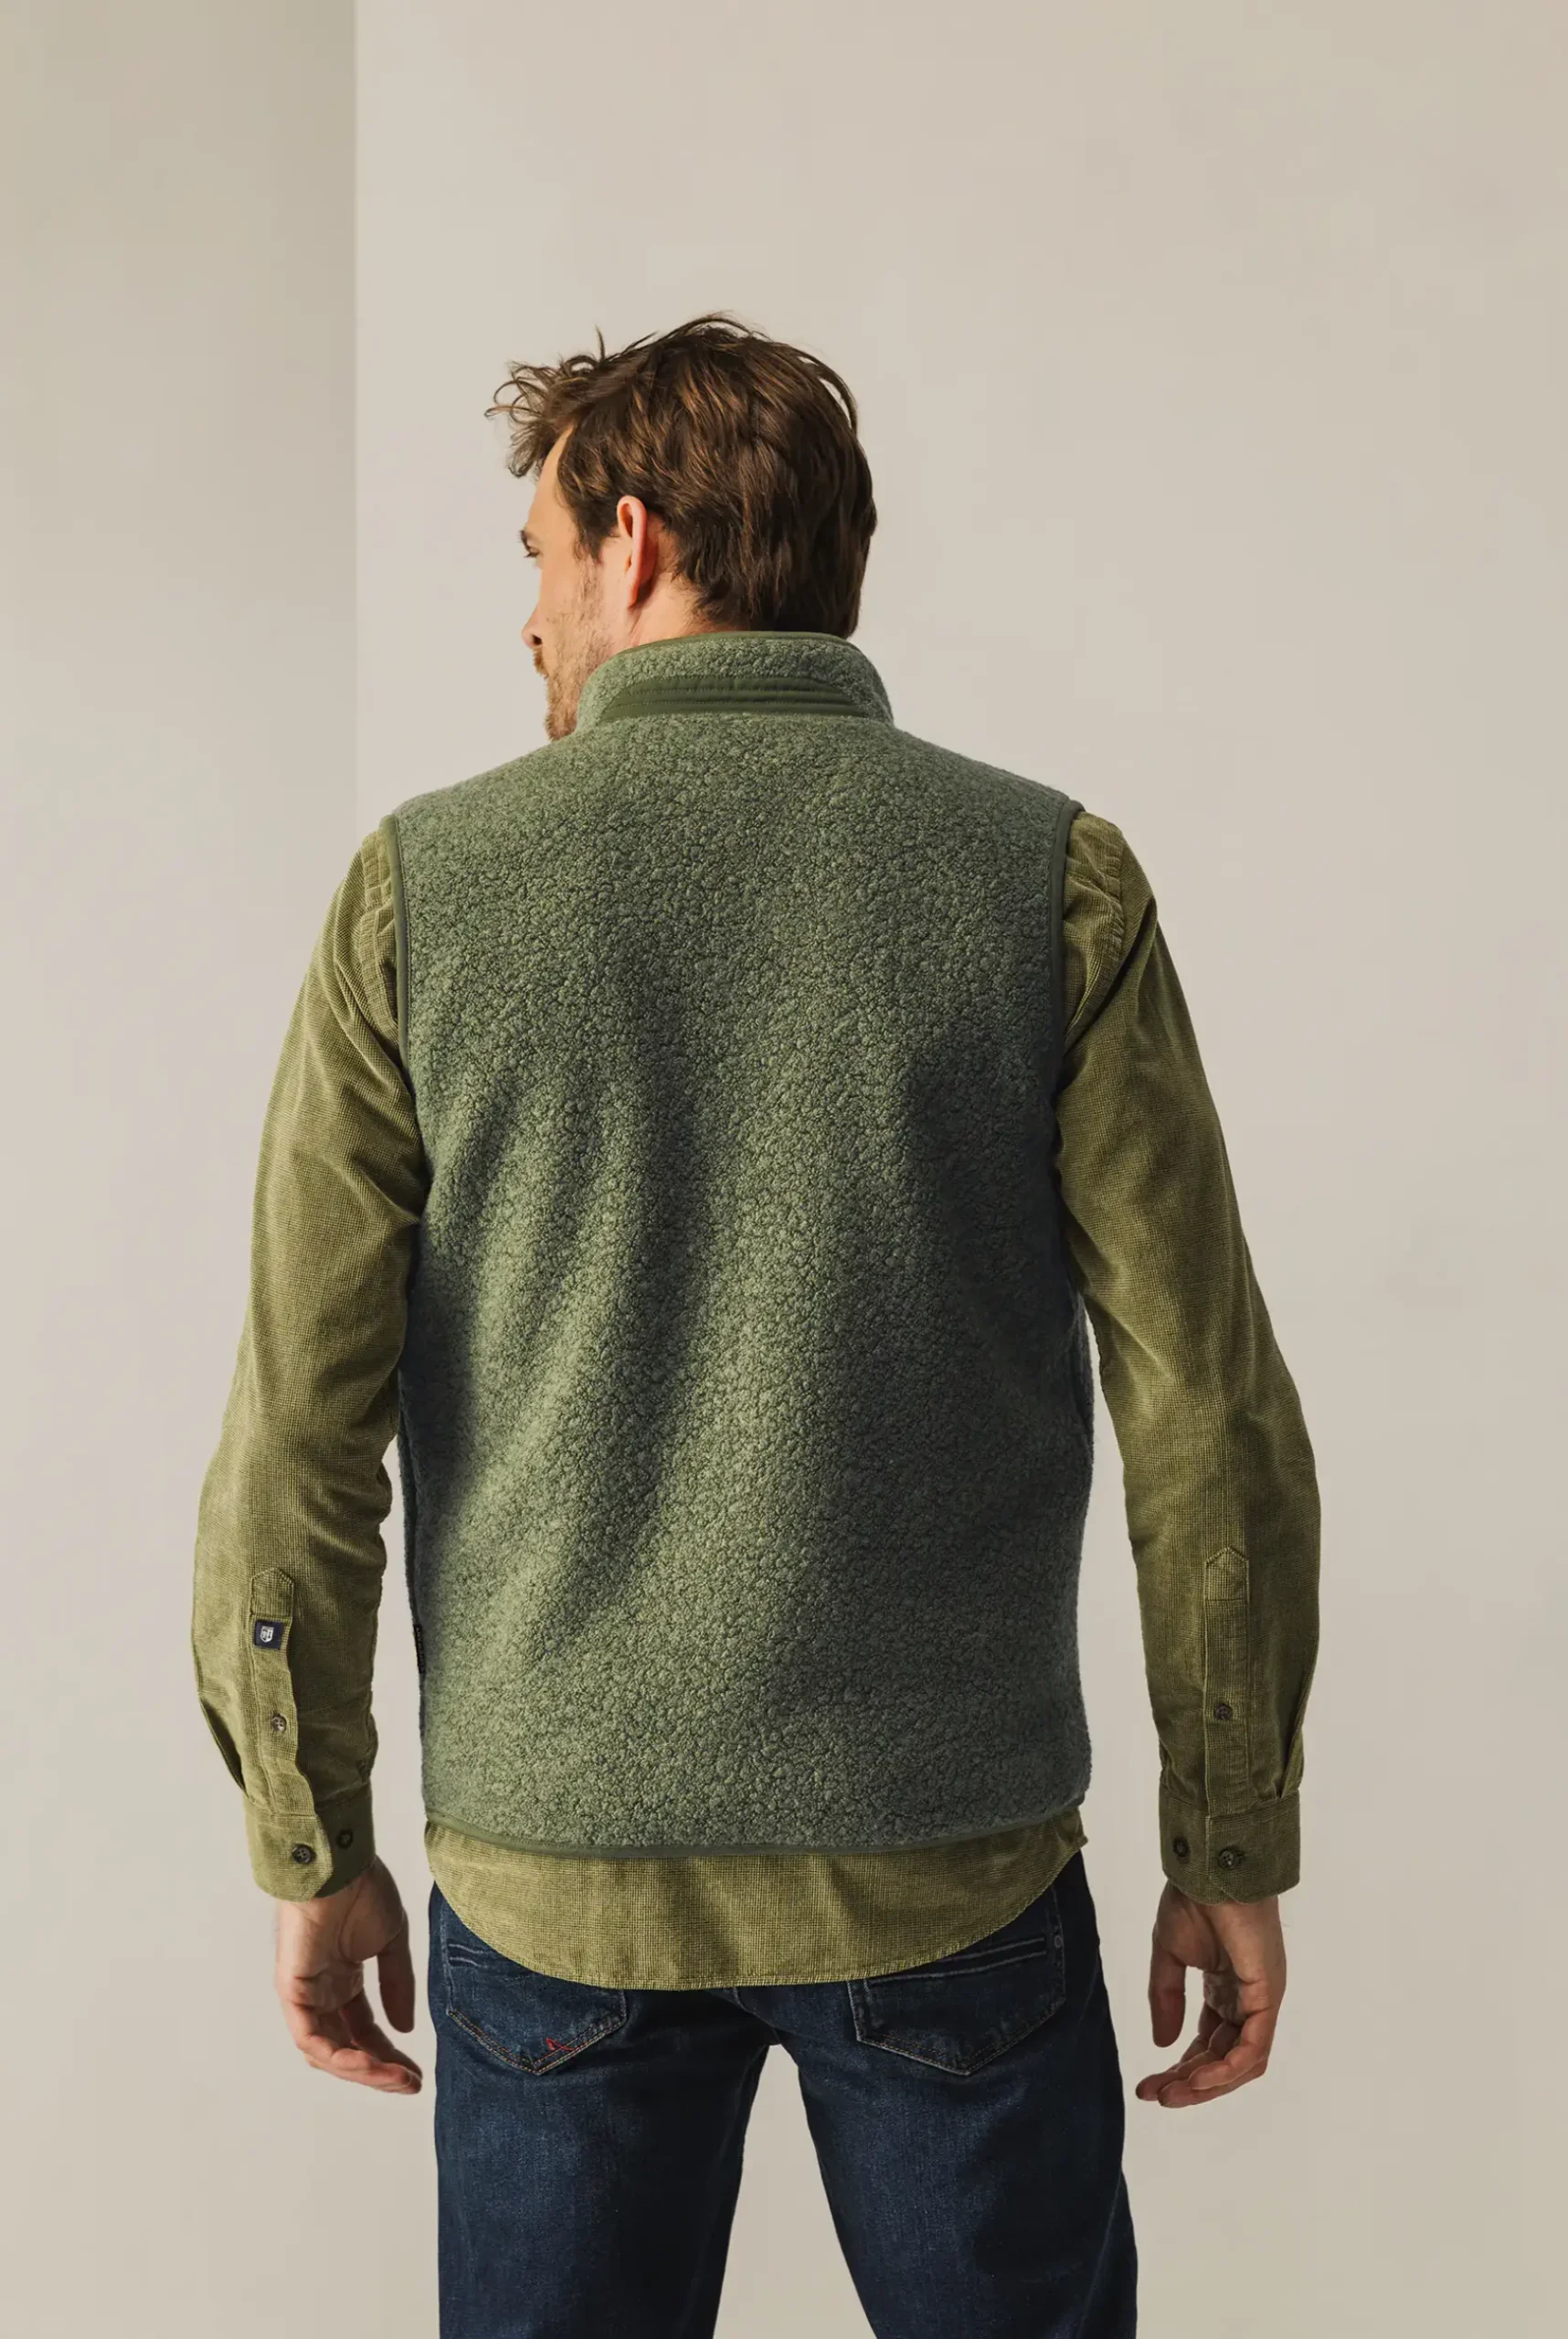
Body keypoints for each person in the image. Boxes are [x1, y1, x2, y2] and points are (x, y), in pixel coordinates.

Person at [192, 311, 1320, 2337]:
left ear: (631, 542)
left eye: (540, 557)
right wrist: (1231, 1833)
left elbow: (298, 1427)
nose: (528, 616)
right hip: (951, 1866)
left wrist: (309, 1831)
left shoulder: (420, 894)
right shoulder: (1046, 878)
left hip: (552, 1881)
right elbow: (1204, 1412)